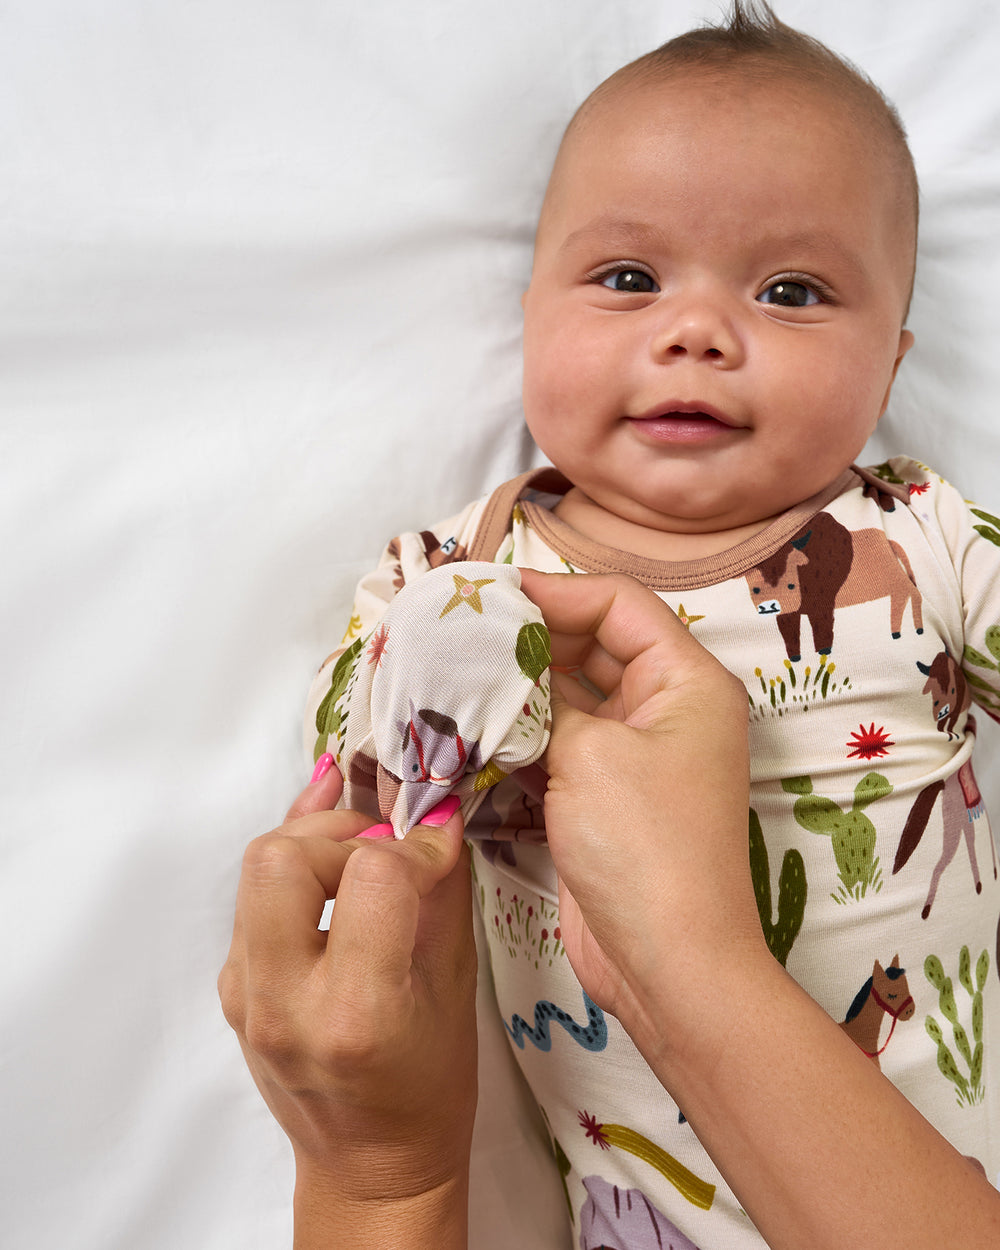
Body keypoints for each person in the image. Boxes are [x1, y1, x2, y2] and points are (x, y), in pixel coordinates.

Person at [221, 2, 1000, 1245]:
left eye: (791, 291)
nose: (695, 332)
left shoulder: (928, 538)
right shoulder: (466, 566)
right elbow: (365, 755)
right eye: (628, 279)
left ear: (891, 367)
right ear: (530, 314)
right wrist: (431, 661)